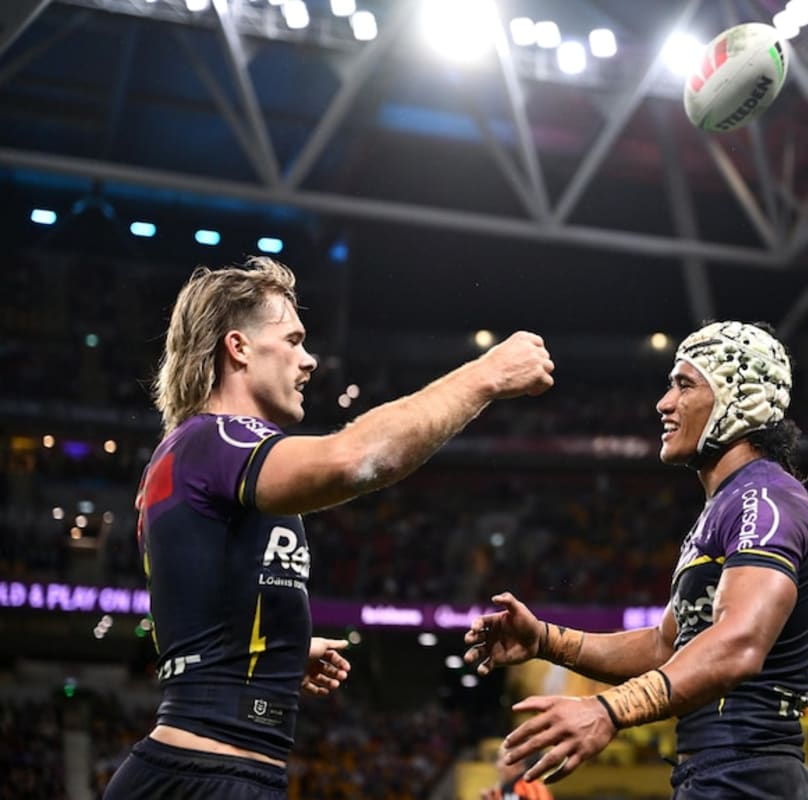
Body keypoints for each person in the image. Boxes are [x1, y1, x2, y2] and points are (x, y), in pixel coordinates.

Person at [104, 257, 555, 799]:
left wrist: (280, 651)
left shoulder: (197, 452)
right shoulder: (218, 441)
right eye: (292, 340)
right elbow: (357, 460)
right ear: (238, 347)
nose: (309, 359)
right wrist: (485, 376)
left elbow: (201, 603)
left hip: (201, 770)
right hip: (206, 776)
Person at [464, 320, 808, 799]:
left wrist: (609, 710)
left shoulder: (764, 500)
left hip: (751, 776)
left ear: (735, 399)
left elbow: (739, 643)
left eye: (684, 384)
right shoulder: (729, 506)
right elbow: (665, 648)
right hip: (724, 775)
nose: (664, 403)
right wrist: (547, 640)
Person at [481, 748, 554, 800]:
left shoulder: (529, 789)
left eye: (501, 759)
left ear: (517, 763)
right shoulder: (506, 789)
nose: (497, 766)